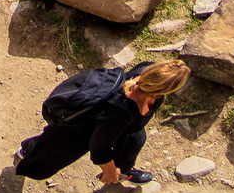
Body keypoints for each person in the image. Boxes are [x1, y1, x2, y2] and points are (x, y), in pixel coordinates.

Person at [14, 59, 189, 185]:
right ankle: (28, 149)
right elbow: (99, 147)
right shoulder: (119, 111)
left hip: (119, 125)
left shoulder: (145, 70)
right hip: (84, 128)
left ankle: (125, 170)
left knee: (136, 139)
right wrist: (110, 171)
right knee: (41, 167)